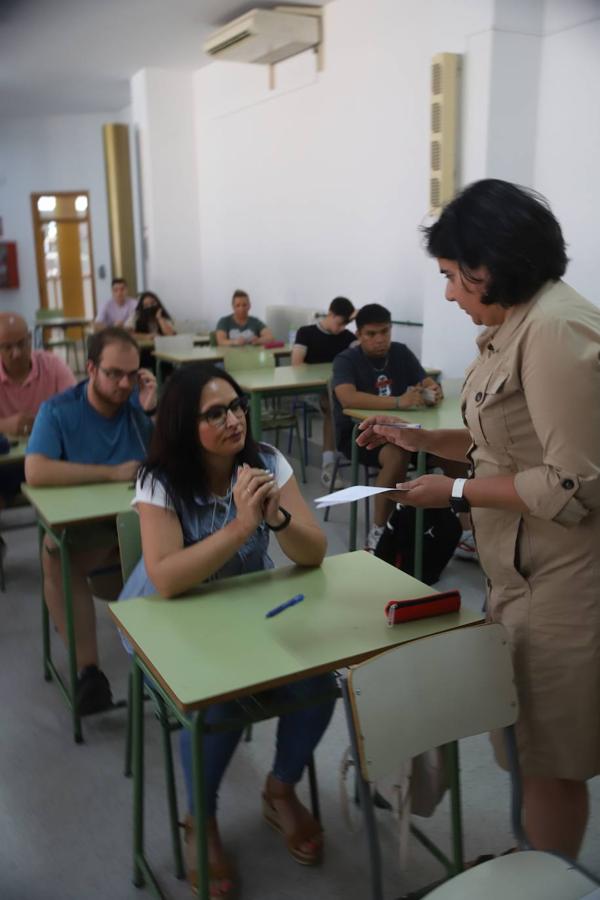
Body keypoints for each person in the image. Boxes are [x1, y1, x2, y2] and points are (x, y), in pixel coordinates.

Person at [357, 178, 600, 860]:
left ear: (488, 263)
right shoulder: (517, 323)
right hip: (519, 571)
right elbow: (509, 444)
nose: (448, 295)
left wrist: (457, 494)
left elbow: (569, 479)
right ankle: (538, 863)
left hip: (564, 581)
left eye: (451, 278)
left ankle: (553, 876)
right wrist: (425, 442)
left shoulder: (554, 329)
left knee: (551, 760)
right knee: (524, 740)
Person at [119, 362, 335, 898]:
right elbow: (166, 579)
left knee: (318, 680)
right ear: (183, 425)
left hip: (238, 608)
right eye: (215, 413)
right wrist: (242, 524)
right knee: (220, 699)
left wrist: (278, 519)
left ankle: (280, 789)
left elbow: (314, 554)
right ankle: (200, 819)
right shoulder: (160, 480)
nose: (235, 419)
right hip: (164, 621)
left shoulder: (264, 462)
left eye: (236, 406)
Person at [24, 327, 156, 715]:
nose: (124, 383)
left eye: (132, 375)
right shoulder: (59, 411)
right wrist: (110, 473)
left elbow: (163, 466)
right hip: (87, 530)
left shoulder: (136, 412)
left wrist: (149, 410)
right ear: (91, 368)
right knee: (54, 553)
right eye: (114, 373)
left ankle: (173, 654)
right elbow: (36, 470)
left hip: (136, 524)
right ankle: (89, 672)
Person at [333, 303, 442, 550]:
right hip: (361, 436)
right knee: (397, 454)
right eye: (372, 334)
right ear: (359, 335)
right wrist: (398, 402)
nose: (380, 339)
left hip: (406, 432)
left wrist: (432, 391)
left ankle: (464, 529)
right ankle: (380, 530)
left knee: (452, 452)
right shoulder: (346, 360)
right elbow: (347, 398)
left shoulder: (401, 352)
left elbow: (425, 381)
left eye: (385, 332)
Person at [0, 312, 75, 507]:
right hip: (8, 461)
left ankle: (61, 528)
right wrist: (4, 425)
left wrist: (45, 424)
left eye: (21, 344)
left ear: (30, 339)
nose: (16, 353)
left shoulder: (52, 364)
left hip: (51, 456)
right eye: (7, 347)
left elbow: (76, 407)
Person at [292, 297, 356, 487]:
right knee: (332, 405)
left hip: (337, 388)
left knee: (336, 400)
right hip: (311, 390)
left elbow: (361, 356)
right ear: (330, 314)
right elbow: (296, 363)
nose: (341, 328)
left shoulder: (348, 338)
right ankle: (329, 463)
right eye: (339, 323)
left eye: (346, 324)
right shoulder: (306, 333)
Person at [126, 290, 175, 368]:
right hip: (144, 352)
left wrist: (160, 318)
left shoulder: (163, 317)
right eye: (146, 305)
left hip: (163, 351)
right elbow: (127, 334)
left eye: (152, 303)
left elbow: (170, 334)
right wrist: (146, 336)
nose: (150, 307)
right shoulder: (136, 316)